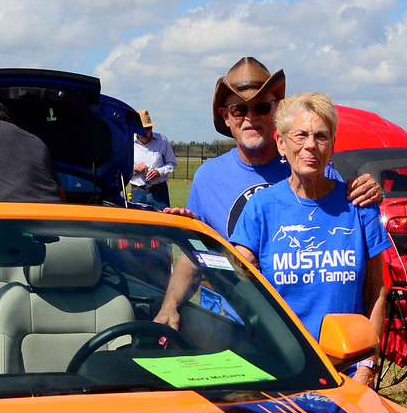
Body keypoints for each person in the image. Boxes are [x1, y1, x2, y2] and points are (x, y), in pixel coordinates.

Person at [154, 57, 382, 328]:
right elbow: (194, 259)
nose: (250, 118)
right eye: (239, 110)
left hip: (311, 331)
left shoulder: (314, 168)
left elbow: (345, 232)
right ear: (226, 116)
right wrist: (170, 304)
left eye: (261, 107)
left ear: (276, 112)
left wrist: (370, 190)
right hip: (240, 327)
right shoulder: (208, 177)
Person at [229, 93, 391, 387]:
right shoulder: (261, 207)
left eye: (321, 136)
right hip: (282, 369)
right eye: (300, 135)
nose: (311, 145)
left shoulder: (359, 205)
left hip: (348, 372)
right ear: (281, 143)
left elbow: (376, 292)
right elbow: (238, 283)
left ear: (333, 145)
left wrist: (367, 366)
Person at [130, 109, 177, 209]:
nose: (146, 132)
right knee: (138, 219)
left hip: (159, 192)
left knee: (163, 219)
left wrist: (158, 172)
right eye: (143, 129)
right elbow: (122, 168)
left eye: (148, 128)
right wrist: (134, 168)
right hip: (138, 192)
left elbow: (172, 164)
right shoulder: (129, 142)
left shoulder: (162, 140)